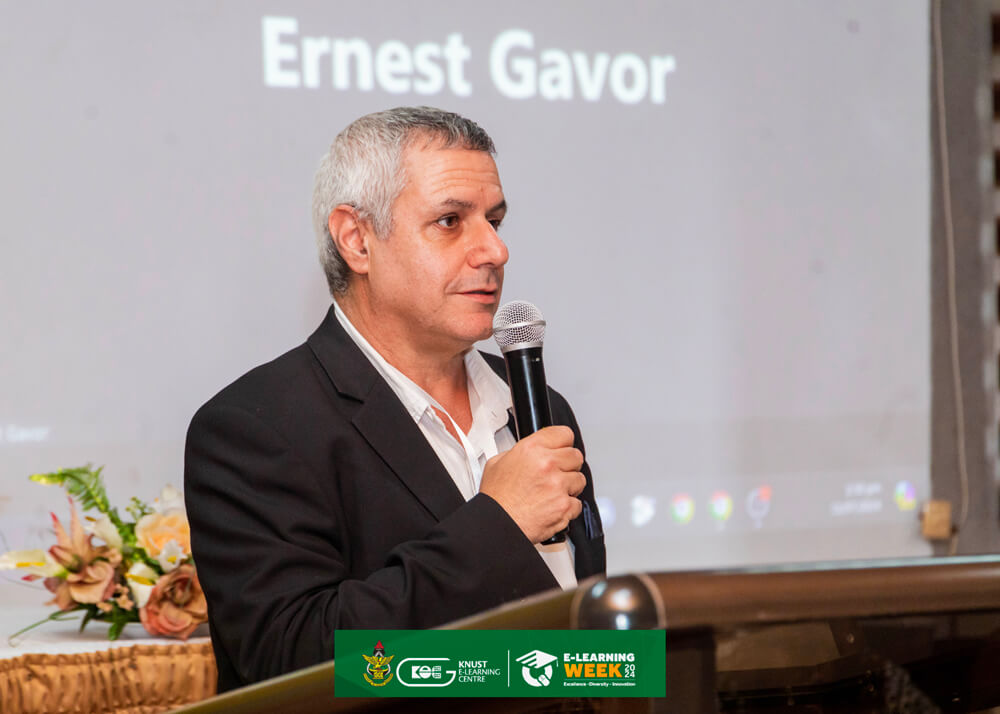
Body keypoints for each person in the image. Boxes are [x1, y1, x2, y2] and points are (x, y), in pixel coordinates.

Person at [184, 106, 605, 692]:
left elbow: (578, 653)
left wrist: (622, 663)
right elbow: (293, 662)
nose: (494, 250)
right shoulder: (254, 427)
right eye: (451, 221)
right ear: (356, 240)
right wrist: (499, 523)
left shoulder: (540, 408)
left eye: (495, 221)